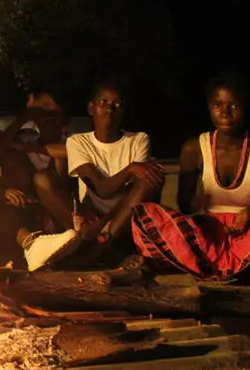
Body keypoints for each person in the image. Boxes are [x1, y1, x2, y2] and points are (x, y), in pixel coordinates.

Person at [131, 75, 250, 283]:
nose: (225, 113)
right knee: (145, 215)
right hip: (209, 239)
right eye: (218, 105)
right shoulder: (194, 149)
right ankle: (244, 269)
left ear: (245, 107)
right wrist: (199, 204)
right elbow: (185, 206)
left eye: (233, 105)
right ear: (209, 107)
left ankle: (229, 269)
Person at [18, 80, 165, 270]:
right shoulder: (78, 142)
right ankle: (107, 252)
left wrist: (103, 227)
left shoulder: (138, 140)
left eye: (116, 104)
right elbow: (102, 189)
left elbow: (132, 197)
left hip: (124, 220)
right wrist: (130, 169)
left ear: (123, 111)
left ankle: (97, 250)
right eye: (103, 102)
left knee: (150, 180)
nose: (109, 108)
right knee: (42, 179)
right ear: (91, 108)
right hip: (90, 219)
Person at [0, 87, 73, 231]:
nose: (45, 116)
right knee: (13, 161)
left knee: (45, 175)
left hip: (60, 207)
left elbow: (70, 152)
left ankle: (76, 231)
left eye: (50, 111)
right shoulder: (27, 138)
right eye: (41, 112)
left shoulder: (70, 141)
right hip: (28, 204)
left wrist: (28, 148)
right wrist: (21, 119)